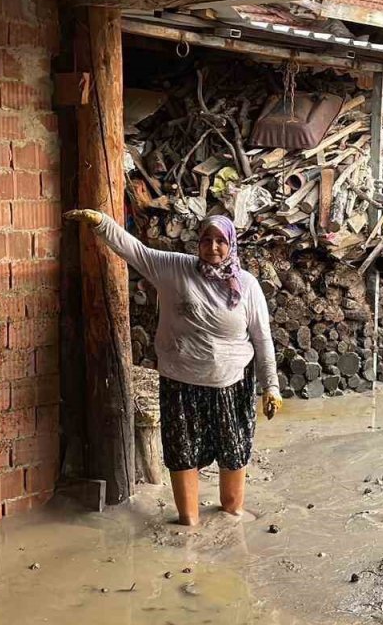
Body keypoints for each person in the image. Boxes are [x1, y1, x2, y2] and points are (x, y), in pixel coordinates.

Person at [64, 208, 283, 526]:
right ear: (198, 244)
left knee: (234, 453)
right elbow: (133, 249)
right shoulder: (174, 268)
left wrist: (271, 387)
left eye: (220, 241)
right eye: (206, 240)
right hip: (180, 382)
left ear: (231, 244)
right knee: (182, 452)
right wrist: (101, 223)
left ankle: (232, 516)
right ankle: (188, 523)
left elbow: (263, 339)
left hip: (232, 383)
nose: (213, 248)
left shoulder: (247, 286)